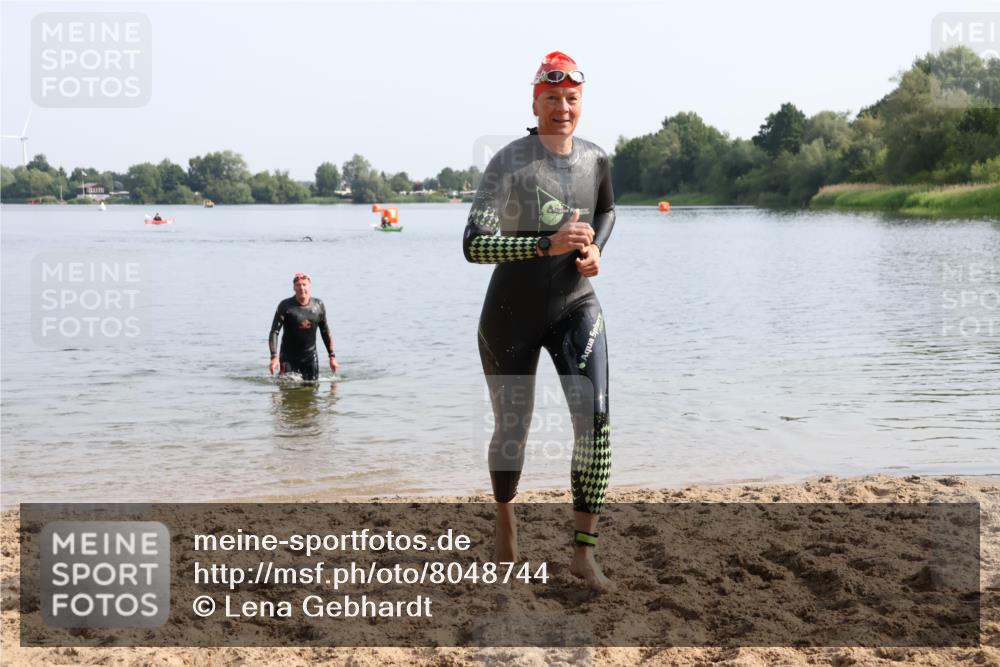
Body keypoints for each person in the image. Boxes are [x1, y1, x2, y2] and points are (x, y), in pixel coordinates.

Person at [463, 51, 615, 591]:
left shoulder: (596, 159)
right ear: (535, 103)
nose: (562, 108)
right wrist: (545, 244)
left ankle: (583, 554)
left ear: (581, 102)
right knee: (513, 430)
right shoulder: (509, 162)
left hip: (576, 303)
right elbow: (474, 244)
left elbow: (607, 211)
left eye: (571, 98)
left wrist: (594, 250)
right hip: (511, 313)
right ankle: (505, 521)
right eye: (552, 98)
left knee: (595, 422)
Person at [268, 272, 339, 382]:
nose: (301, 288)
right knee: (286, 388)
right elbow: (274, 332)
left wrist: (332, 357)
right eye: (298, 285)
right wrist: (274, 357)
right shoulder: (285, 306)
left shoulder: (318, 305)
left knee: (312, 387)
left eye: (304, 284)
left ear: (309, 286)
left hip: (310, 357)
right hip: (288, 358)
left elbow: (325, 331)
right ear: (294, 287)